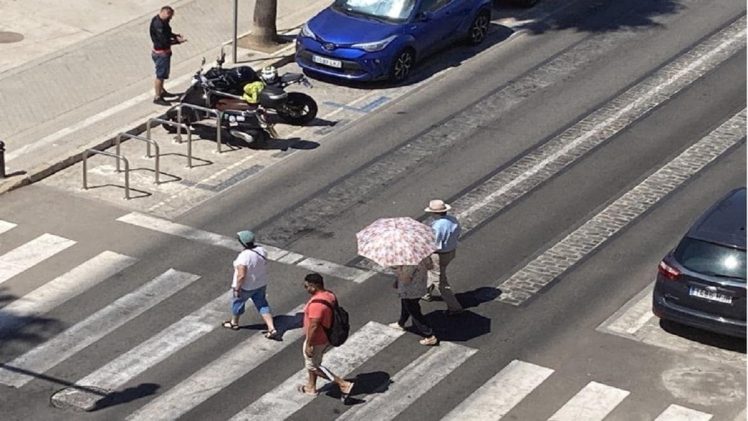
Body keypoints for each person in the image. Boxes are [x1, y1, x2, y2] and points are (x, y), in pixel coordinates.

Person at [300, 273, 355, 399]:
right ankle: (311, 387)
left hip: (317, 339)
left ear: (314, 286)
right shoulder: (329, 295)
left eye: (307, 286)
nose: (306, 288)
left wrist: (309, 343)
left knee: (313, 366)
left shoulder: (316, 305)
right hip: (326, 336)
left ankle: (343, 384)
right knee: (314, 362)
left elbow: (314, 325)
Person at [222, 230, 280, 340]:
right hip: (260, 283)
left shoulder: (243, 256)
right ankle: (271, 328)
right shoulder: (261, 250)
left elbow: (241, 275)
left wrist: (237, 288)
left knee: (237, 303)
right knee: (262, 304)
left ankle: (234, 322)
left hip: (246, 287)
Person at [422, 199, 464, 315]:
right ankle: (426, 292)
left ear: (434, 213)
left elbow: (435, 244)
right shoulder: (452, 219)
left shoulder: (438, 226)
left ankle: (454, 307)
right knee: (433, 272)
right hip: (450, 251)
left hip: (439, 255)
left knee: (440, 282)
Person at [389, 258, 439, 346]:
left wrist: (396, 269)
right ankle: (401, 323)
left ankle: (429, 335)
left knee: (414, 311)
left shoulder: (409, 263)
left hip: (411, 290)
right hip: (421, 285)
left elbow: (405, 279)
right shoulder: (423, 256)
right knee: (406, 304)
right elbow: (430, 266)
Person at [150, 6, 186, 105]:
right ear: (165, 13)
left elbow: (167, 33)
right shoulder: (159, 25)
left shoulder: (161, 21)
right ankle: (157, 97)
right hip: (161, 53)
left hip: (162, 52)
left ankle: (162, 91)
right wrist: (177, 41)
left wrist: (175, 35)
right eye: (170, 16)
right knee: (160, 75)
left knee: (162, 74)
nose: (170, 19)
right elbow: (164, 41)